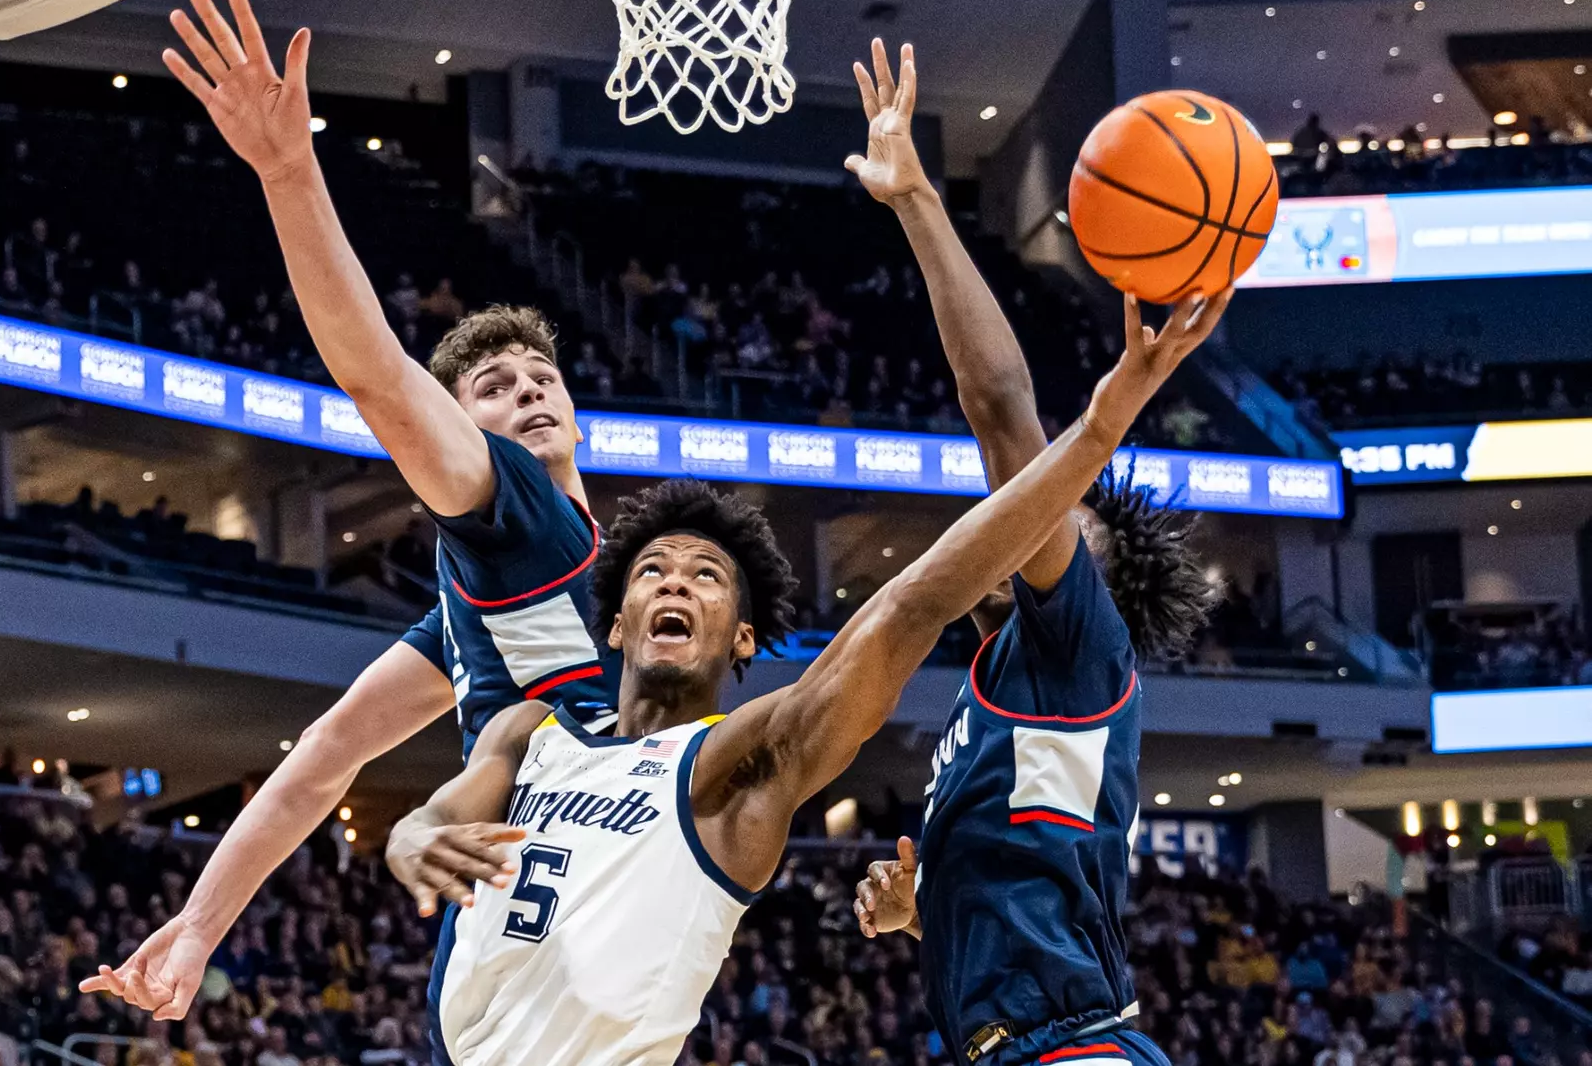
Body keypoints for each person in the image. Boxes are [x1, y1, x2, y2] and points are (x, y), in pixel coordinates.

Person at [380, 236, 1230, 1064]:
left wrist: (1098, 426)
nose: (675, 584)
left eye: (706, 574)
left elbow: (915, 595)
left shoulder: (740, 762)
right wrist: (926, 911)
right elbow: (433, 815)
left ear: (743, 637)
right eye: (652, 570)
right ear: (616, 621)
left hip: (1075, 1043)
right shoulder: (536, 733)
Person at [81, 0, 615, 1052]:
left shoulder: (495, 602)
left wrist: (201, 922)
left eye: (540, 375)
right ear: (454, 433)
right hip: (545, 920)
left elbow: (325, 756)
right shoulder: (511, 507)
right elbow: (376, 374)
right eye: (493, 387)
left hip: (552, 915)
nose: (526, 389)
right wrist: (290, 172)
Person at [846, 42, 1222, 1066]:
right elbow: (1038, 893)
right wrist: (927, 911)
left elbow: (1005, 411)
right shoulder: (1016, 684)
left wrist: (918, 199)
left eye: (1059, 518)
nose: (1027, 519)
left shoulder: (1081, 647)